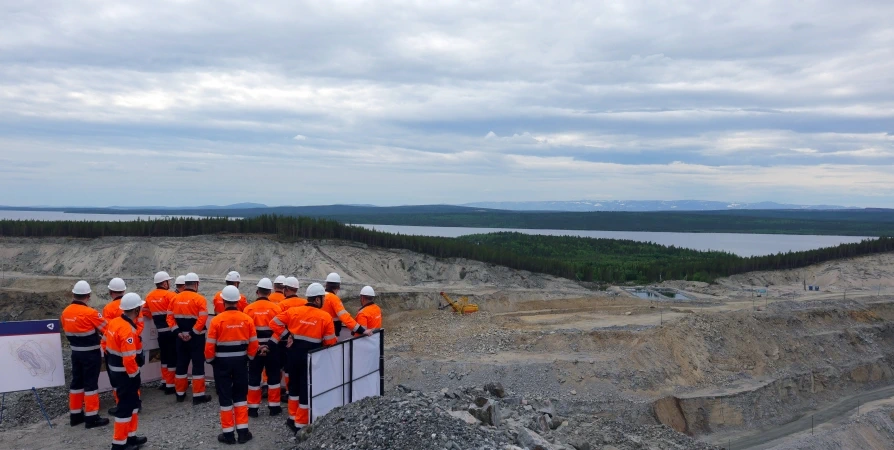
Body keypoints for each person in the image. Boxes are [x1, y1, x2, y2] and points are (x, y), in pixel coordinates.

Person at [269, 283, 341, 432]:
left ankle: (292, 417)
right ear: (317, 300)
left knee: (293, 387)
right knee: (305, 389)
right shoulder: (325, 317)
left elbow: (273, 323)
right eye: (322, 299)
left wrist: (287, 335)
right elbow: (330, 342)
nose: (323, 302)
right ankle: (300, 424)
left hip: (293, 355)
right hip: (311, 358)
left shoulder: (294, 311)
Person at [205, 285, 259, 445]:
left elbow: (209, 346)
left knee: (225, 396)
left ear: (223, 301)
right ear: (237, 301)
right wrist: (248, 358)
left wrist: (211, 360)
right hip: (241, 363)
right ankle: (243, 432)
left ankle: (228, 434)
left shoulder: (216, 320)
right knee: (241, 396)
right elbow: (254, 345)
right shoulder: (247, 319)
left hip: (221, 363)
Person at [61, 280, 110, 429]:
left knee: (76, 383)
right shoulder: (91, 313)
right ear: (88, 296)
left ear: (74, 294)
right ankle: (91, 417)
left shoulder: (65, 312)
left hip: (75, 353)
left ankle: (75, 415)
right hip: (90, 354)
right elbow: (107, 329)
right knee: (91, 385)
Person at [105, 293, 148, 450]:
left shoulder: (115, 322)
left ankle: (131, 437)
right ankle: (119, 444)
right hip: (125, 374)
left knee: (132, 406)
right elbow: (129, 359)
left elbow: (105, 344)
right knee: (125, 408)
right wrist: (134, 375)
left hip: (116, 371)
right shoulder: (127, 330)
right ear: (136, 309)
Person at [167, 272, 212, 404]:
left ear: (185, 284)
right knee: (197, 365)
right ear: (196, 284)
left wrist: (178, 333)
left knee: (181, 364)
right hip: (196, 338)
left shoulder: (174, 298)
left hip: (179, 338)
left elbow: (169, 318)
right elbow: (203, 318)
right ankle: (198, 396)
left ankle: (180, 394)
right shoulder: (200, 299)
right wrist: (191, 333)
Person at [242, 278, 283, 417]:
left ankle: (253, 409)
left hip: (255, 350)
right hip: (273, 349)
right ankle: (274, 407)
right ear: (269, 292)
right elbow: (280, 331)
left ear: (257, 292)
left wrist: (258, 346)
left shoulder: (248, 309)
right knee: (273, 377)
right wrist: (268, 345)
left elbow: (245, 333)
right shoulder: (277, 309)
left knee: (253, 377)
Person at [144, 271, 177, 394]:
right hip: (171, 332)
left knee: (164, 357)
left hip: (160, 332)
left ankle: (164, 381)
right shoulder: (170, 295)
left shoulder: (149, 296)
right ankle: (170, 384)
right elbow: (176, 312)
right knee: (172, 357)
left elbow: (146, 312)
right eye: (168, 281)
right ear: (164, 283)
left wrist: (155, 317)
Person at [276, 276, 304, 391]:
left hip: (285, 341)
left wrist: (287, 335)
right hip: (302, 341)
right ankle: (291, 391)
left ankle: (287, 390)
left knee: (285, 367)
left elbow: (277, 323)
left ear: (286, 289)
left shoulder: (282, 304)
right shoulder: (305, 303)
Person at [321, 273, 367, 340]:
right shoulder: (334, 298)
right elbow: (345, 318)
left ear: (326, 284)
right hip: (331, 335)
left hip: (318, 333)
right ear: (338, 286)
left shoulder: (320, 296)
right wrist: (361, 330)